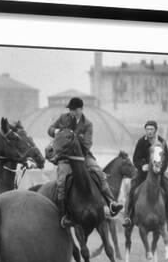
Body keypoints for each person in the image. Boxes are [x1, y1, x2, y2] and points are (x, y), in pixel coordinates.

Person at [48, 97, 123, 228]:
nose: (71, 112)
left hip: (83, 156)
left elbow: (87, 145)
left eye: (74, 110)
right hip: (65, 158)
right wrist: (57, 131)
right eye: (70, 109)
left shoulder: (87, 124)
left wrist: (73, 139)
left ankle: (111, 203)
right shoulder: (63, 118)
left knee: (99, 172)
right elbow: (50, 129)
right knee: (61, 181)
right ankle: (63, 214)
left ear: (80, 110)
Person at [123, 120, 168, 231]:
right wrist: (142, 166)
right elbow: (136, 158)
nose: (149, 131)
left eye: (151, 129)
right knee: (132, 189)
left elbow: (166, 159)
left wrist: (160, 170)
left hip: (158, 173)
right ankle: (128, 217)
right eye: (147, 129)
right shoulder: (141, 142)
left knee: (167, 191)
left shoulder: (162, 142)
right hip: (143, 173)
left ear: (155, 130)